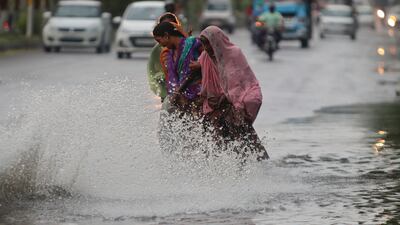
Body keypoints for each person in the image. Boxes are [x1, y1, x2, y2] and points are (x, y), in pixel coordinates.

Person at [198, 26, 269, 161]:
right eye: (203, 44)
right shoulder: (205, 57)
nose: (206, 47)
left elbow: (240, 79)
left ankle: (254, 161)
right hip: (216, 101)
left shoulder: (234, 53)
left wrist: (230, 97)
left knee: (239, 128)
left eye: (208, 43)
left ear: (217, 41)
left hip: (238, 97)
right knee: (215, 135)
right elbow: (203, 74)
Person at [152, 21, 202, 114]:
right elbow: (174, 79)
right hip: (181, 98)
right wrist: (176, 94)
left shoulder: (193, 43)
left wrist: (200, 64)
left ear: (166, 35)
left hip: (200, 94)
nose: (161, 44)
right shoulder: (170, 54)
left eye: (159, 40)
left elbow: (213, 57)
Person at [147, 13, 186, 102]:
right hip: (169, 92)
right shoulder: (160, 50)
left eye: (171, 25)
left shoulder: (190, 44)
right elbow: (152, 72)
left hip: (189, 93)